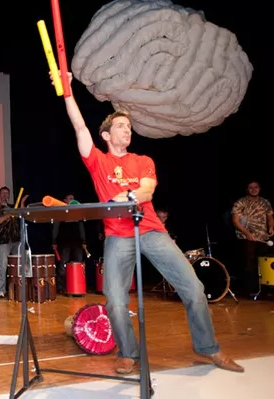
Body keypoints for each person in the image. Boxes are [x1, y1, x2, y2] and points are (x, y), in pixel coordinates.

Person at [54, 71, 243, 373]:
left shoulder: (143, 160)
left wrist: (125, 196)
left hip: (152, 230)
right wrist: (67, 92)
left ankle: (209, 348)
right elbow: (79, 125)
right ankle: (128, 353)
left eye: (129, 127)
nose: (127, 130)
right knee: (115, 300)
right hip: (118, 235)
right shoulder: (98, 161)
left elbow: (147, 190)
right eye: (120, 126)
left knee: (193, 288)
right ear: (106, 135)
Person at [231, 181, 274, 296]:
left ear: (259, 189)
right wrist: (247, 233)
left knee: (262, 263)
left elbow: (270, 217)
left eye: (256, 187)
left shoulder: (265, 202)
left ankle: (264, 289)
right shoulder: (240, 202)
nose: (254, 189)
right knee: (249, 263)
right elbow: (235, 220)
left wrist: (271, 227)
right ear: (247, 189)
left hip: (262, 238)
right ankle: (250, 290)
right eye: (251, 187)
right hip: (246, 237)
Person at [0, 186, 28, 298]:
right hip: (3, 241)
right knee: (2, 266)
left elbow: (22, 214)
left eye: (7, 193)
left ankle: (18, 289)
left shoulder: (13, 207)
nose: (5, 195)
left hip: (16, 240)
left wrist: (21, 204)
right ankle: (1, 290)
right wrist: (7, 215)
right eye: (3, 193)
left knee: (19, 265)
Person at [51, 193, 88, 293]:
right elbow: (56, 228)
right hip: (64, 243)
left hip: (77, 243)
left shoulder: (78, 212)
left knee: (78, 265)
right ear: (65, 201)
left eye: (73, 198)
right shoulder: (60, 212)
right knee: (63, 266)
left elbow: (81, 228)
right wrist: (54, 241)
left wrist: (84, 241)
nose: (72, 199)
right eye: (70, 198)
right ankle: (61, 288)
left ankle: (78, 287)